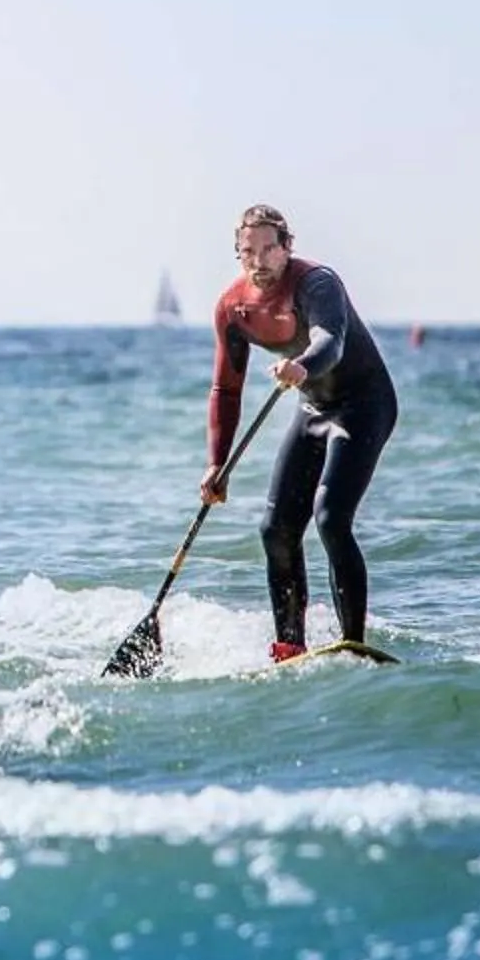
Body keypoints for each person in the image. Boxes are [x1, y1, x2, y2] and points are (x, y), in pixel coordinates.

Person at [204, 203, 399, 661]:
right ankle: (289, 647)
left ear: (287, 248)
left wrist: (301, 366)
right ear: (238, 253)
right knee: (275, 529)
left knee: (331, 518)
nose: (259, 261)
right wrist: (217, 463)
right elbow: (225, 390)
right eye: (248, 251)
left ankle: (354, 643)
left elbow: (331, 342)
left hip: (364, 406)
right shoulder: (233, 308)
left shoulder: (317, 283)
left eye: (269, 249)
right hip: (313, 408)